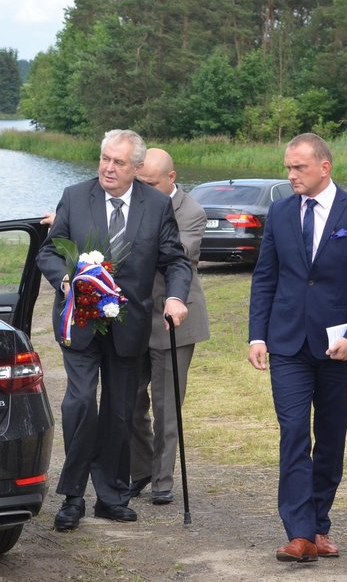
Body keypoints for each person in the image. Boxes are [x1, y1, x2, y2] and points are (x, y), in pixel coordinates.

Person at [37, 129, 192, 531]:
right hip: (81, 320)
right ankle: (73, 495)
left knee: (120, 412)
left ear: (136, 167)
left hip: (129, 325)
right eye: (105, 158)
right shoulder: (75, 196)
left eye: (118, 162)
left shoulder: (156, 205)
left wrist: (176, 297)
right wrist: (65, 280)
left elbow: (175, 260)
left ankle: (111, 495)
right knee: (81, 403)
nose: (108, 167)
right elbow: (49, 251)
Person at [247, 133, 347, 563]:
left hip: (338, 347)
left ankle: (319, 523)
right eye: (288, 167)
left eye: (299, 167)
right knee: (294, 432)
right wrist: (257, 335)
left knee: (331, 439)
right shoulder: (280, 212)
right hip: (286, 344)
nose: (290, 175)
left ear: (325, 167)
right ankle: (299, 533)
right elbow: (266, 276)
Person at [128, 148, 210, 505]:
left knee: (166, 407)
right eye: (139, 182)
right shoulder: (132, 202)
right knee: (129, 400)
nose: (142, 189)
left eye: (149, 183)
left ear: (171, 178)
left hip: (173, 319)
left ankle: (163, 480)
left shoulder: (191, 212)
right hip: (134, 319)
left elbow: (175, 256)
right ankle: (142, 469)